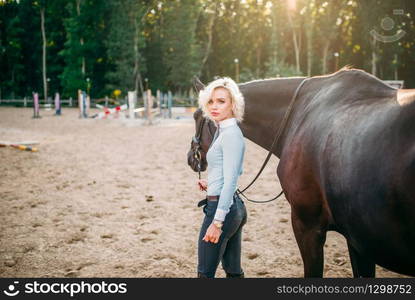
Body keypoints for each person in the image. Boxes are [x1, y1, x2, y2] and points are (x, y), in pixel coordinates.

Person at [196, 77, 247, 278]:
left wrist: (217, 223)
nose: (214, 106)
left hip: (222, 211)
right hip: (231, 207)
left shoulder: (231, 134)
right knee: (233, 272)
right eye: (211, 101)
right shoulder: (222, 130)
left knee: (205, 274)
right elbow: (229, 172)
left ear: (233, 104)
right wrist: (211, 183)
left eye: (221, 101)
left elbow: (232, 180)